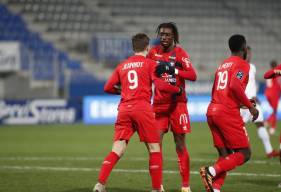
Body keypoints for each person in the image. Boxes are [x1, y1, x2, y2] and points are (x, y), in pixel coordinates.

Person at [93, 33, 183, 192]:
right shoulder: (149, 64)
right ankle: (156, 189)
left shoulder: (122, 65)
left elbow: (107, 87)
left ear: (133, 48)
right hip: (142, 108)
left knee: (117, 149)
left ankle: (100, 185)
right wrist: (178, 89)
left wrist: (123, 91)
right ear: (147, 47)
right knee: (154, 149)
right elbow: (161, 86)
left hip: (124, 109)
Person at [200, 34, 259, 192]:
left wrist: (244, 104)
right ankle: (210, 172)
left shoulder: (223, 65)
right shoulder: (243, 65)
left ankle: (216, 189)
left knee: (225, 155)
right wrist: (251, 107)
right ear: (244, 48)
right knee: (244, 153)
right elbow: (234, 85)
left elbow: (221, 90)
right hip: (226, 113)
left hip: (212, 110)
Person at [147, 22, 197, 192]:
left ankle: (185, 186)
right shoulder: (152, 53)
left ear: (174, 36)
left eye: (167, 34)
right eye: (161, 34)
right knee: (155, 145)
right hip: (159, 106)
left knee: (180, 144)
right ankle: (158, 185)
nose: (164, 37)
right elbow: (146, 73)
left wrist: (173, 70)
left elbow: (192, 75)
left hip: (178, 105)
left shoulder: (180, 54)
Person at [240, 46, 279, 158]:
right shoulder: (240, 67)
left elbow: (251, 84)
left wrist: (255, 96)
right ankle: (236, 150)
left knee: (260, 123)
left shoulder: (252, 67)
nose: (250, 55)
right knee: (239, 127)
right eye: (247, 53)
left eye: (250, 53)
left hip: (253, 101)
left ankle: (269, 151)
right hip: (243, 103)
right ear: (243, 54)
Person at [263, 63, 281, 188]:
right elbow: (267, 75)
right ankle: (271, 126)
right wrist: (278, 71)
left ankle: (270, 125)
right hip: (272, 93)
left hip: (270, 93)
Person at [264, 60, 281, 135]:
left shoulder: (269, 72)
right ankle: (272, 128)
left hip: (267, 93)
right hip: (274, 94)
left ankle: (267, 122)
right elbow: (277, 84)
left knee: (274, 111)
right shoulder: (276, 73)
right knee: (275, 111)